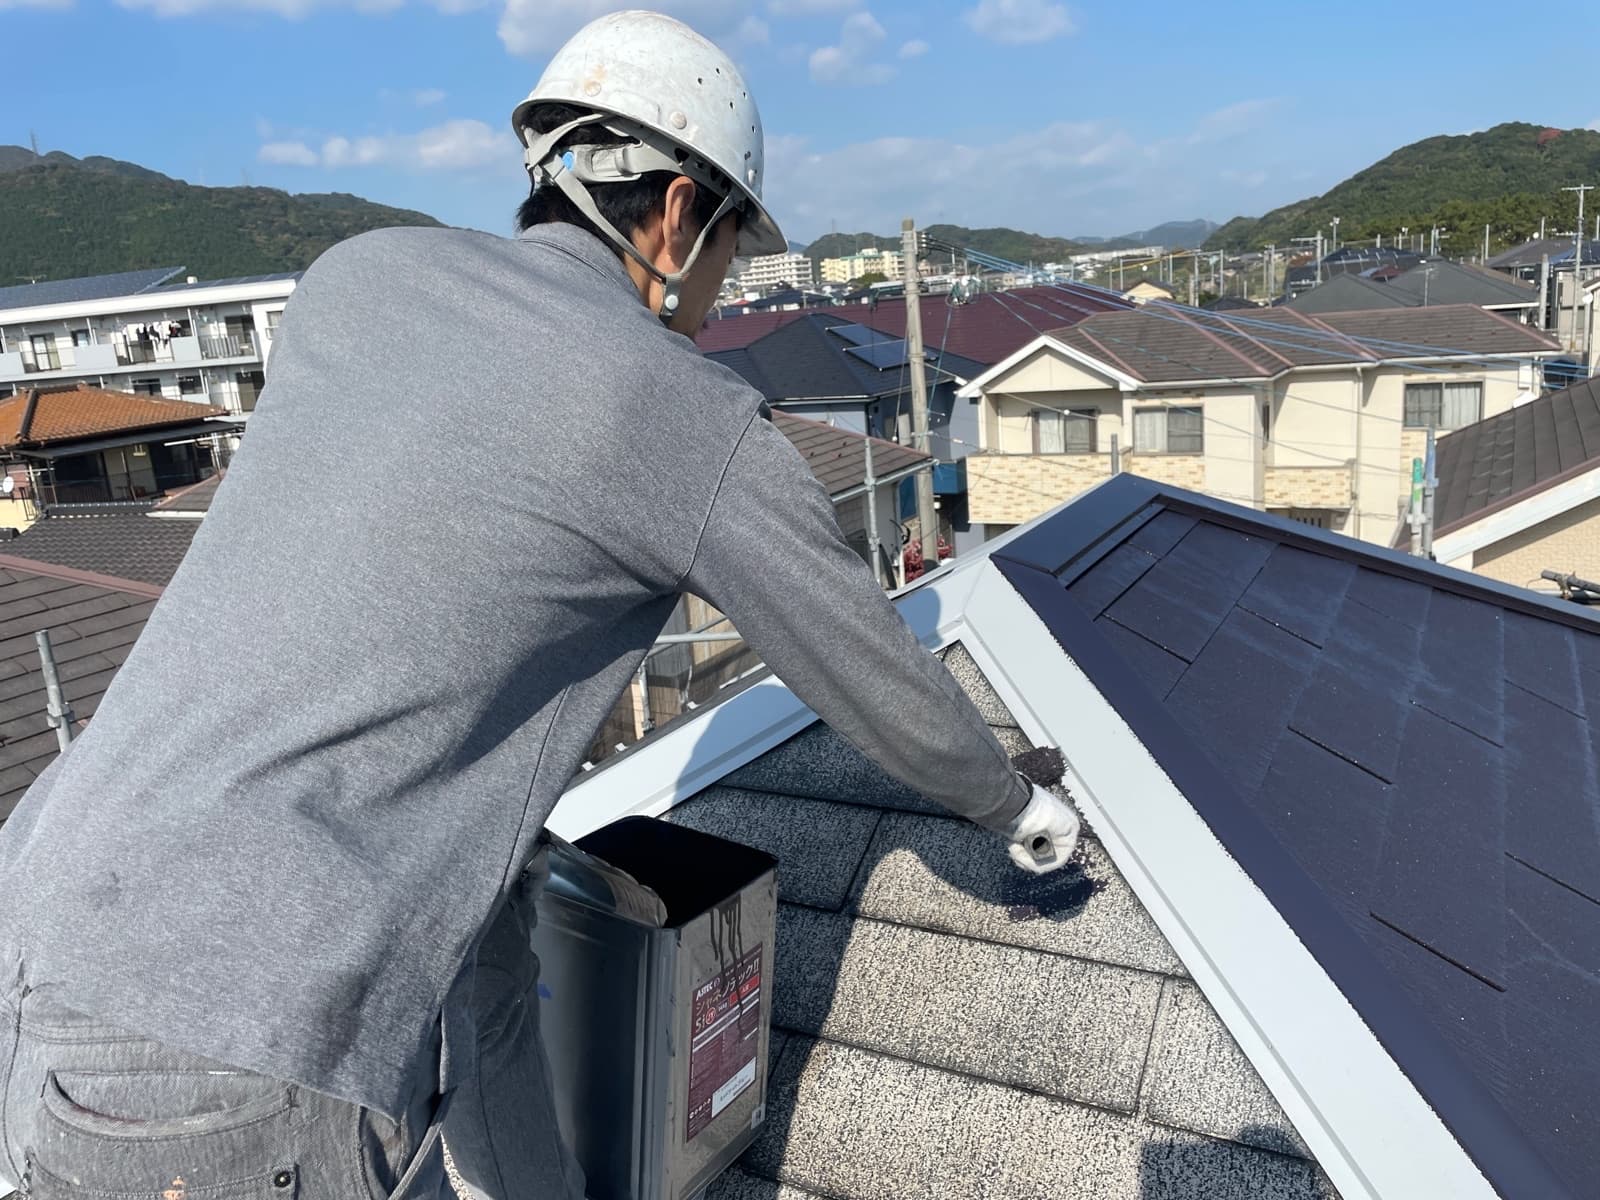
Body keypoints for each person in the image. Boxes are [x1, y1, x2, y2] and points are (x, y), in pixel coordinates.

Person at [0, 11, 1080, 1200]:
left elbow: (486, 969)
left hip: (45, 907)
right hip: (235, 1025)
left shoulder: (358, 277)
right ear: (679, 212)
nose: (719, 295)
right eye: (730, 251)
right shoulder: (675, 412)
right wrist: (1008, 800)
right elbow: (862, 658)